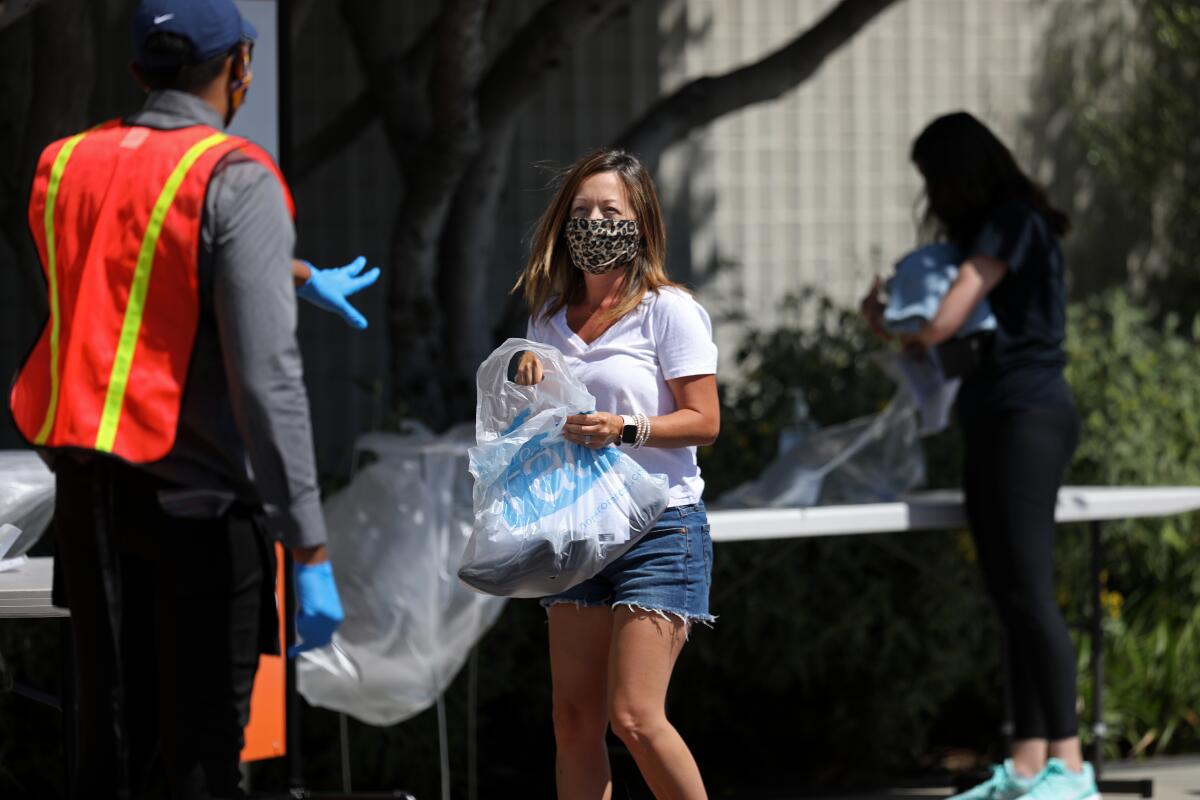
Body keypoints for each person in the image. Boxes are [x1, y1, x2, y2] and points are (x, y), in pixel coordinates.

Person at [7, 1, 367, 796]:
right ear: (240, 66)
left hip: (90, 503)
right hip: (197, 513)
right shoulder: (234, 175)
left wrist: (293, 274)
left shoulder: (63, 165)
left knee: (112, 750)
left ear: (138, 70)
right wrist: (308, 548)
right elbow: (268, 380)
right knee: (199, 762)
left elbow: (127, 259)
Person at [862, 111, 1098, 800]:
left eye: (933, 178)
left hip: (1031, 416)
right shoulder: (990, 227)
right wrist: (887, 321)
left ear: (959, 172)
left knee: (1030, 591)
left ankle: (1072, 768)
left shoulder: (1013, 221)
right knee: (1010, 595)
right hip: (993, 418)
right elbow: (929, 335)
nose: (930, 195)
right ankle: (1027, 766)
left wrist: (899, 316)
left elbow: (944, 319)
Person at [511, 149, 719, 800]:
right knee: (572, 720)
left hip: (661, 530)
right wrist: (529, 386)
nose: (594, 224)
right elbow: (545, 428)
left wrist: (627, 427)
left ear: (642, 223)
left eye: (610, 211)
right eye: (580, 212)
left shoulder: (668, 310)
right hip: (578, 528)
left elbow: (705, 420)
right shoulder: (547, 319)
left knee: (635, 716)